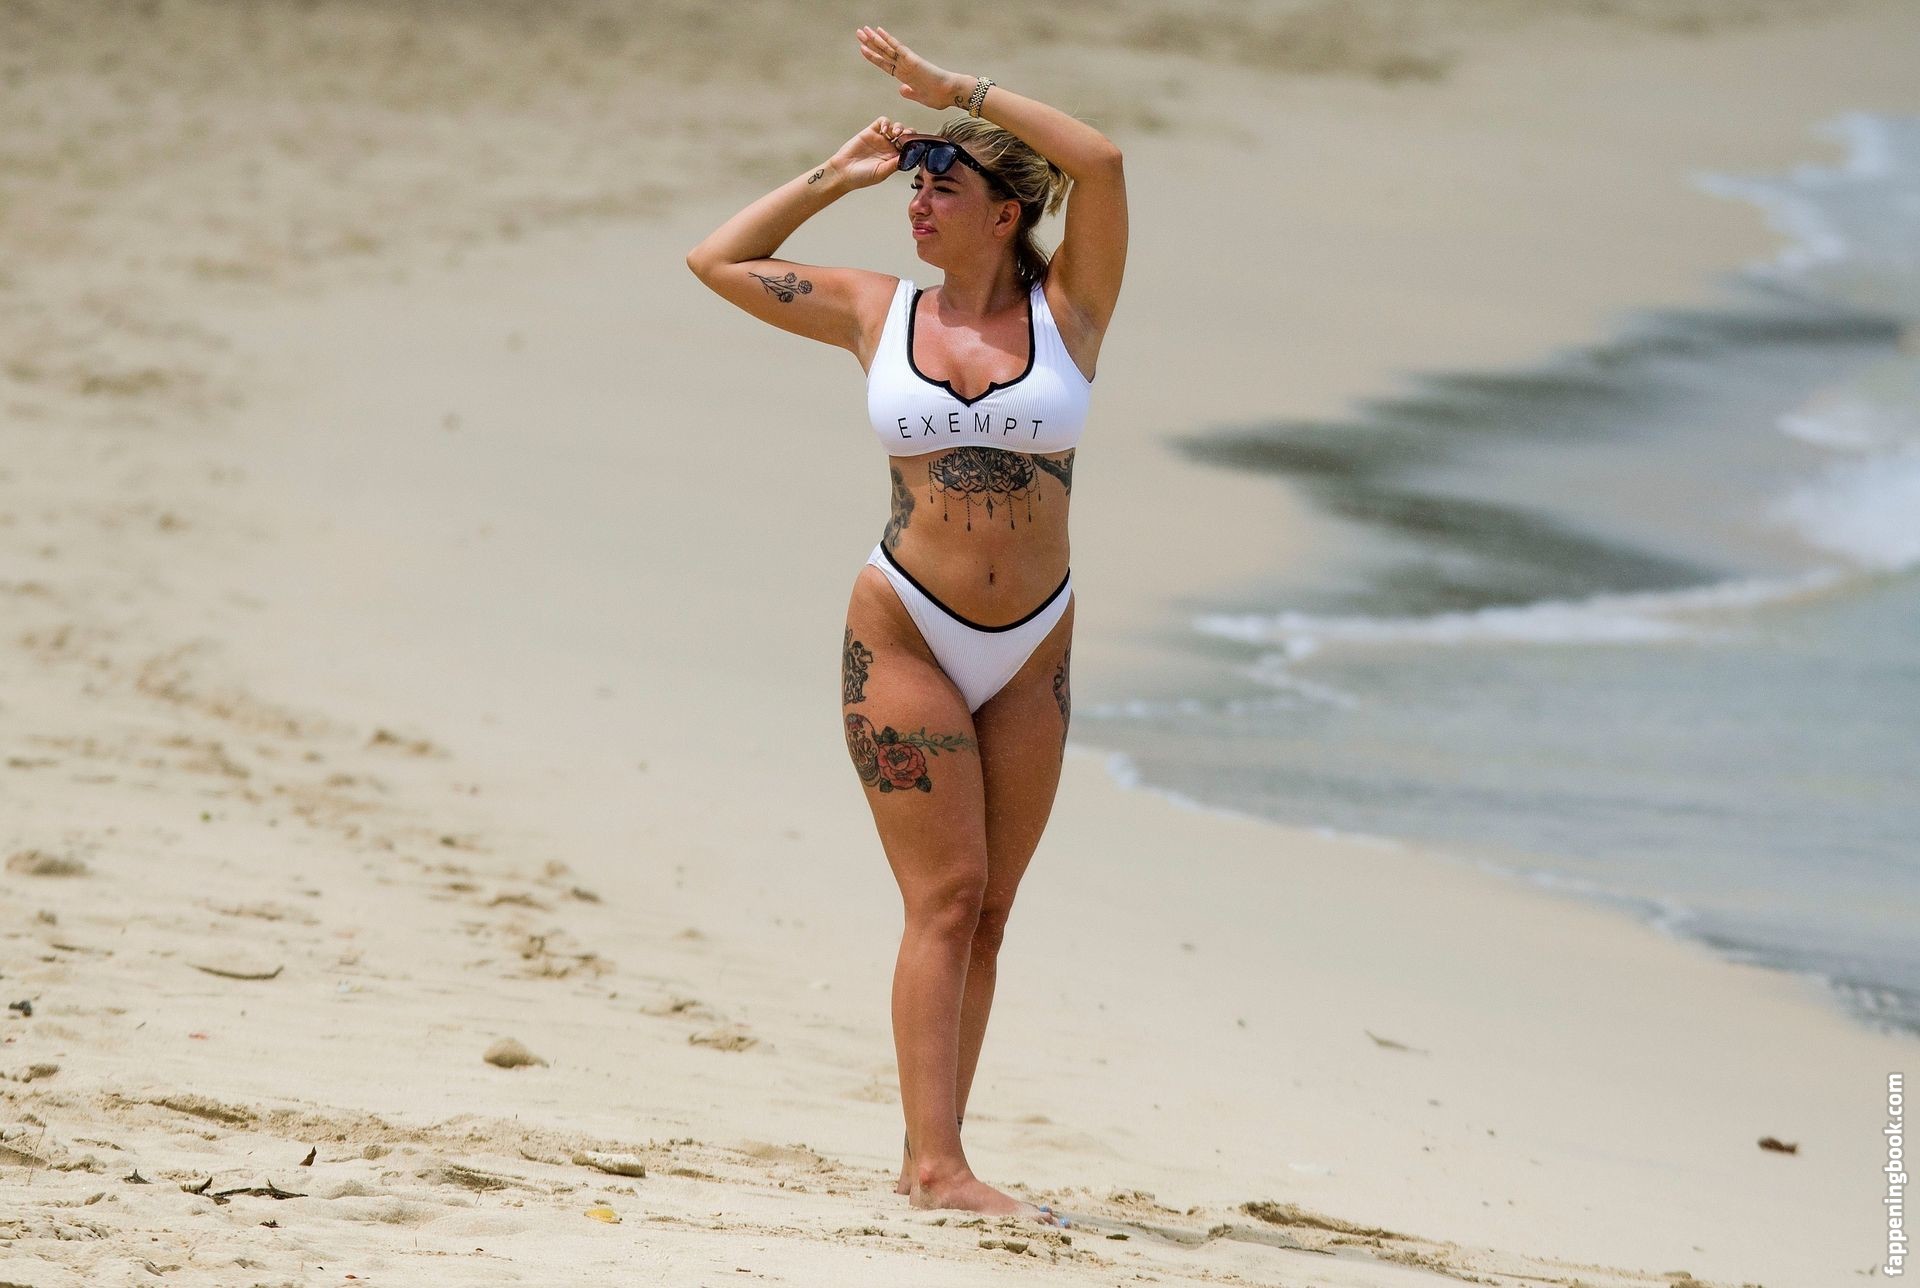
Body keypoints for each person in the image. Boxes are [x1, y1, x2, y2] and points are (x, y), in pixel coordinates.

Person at [685, 24, 1127, 1229]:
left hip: (1033, 643)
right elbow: (717, 259)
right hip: (908, 630)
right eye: (914, 186)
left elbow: (1102, 161)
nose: (918, 203)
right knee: (946, 893)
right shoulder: (875, 311)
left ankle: (927, 1153)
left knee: (990, 910)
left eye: (943, 185)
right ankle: (940, 1168)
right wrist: (836, 177)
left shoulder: (1072, 309)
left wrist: (957, 91)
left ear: (1006, 212)